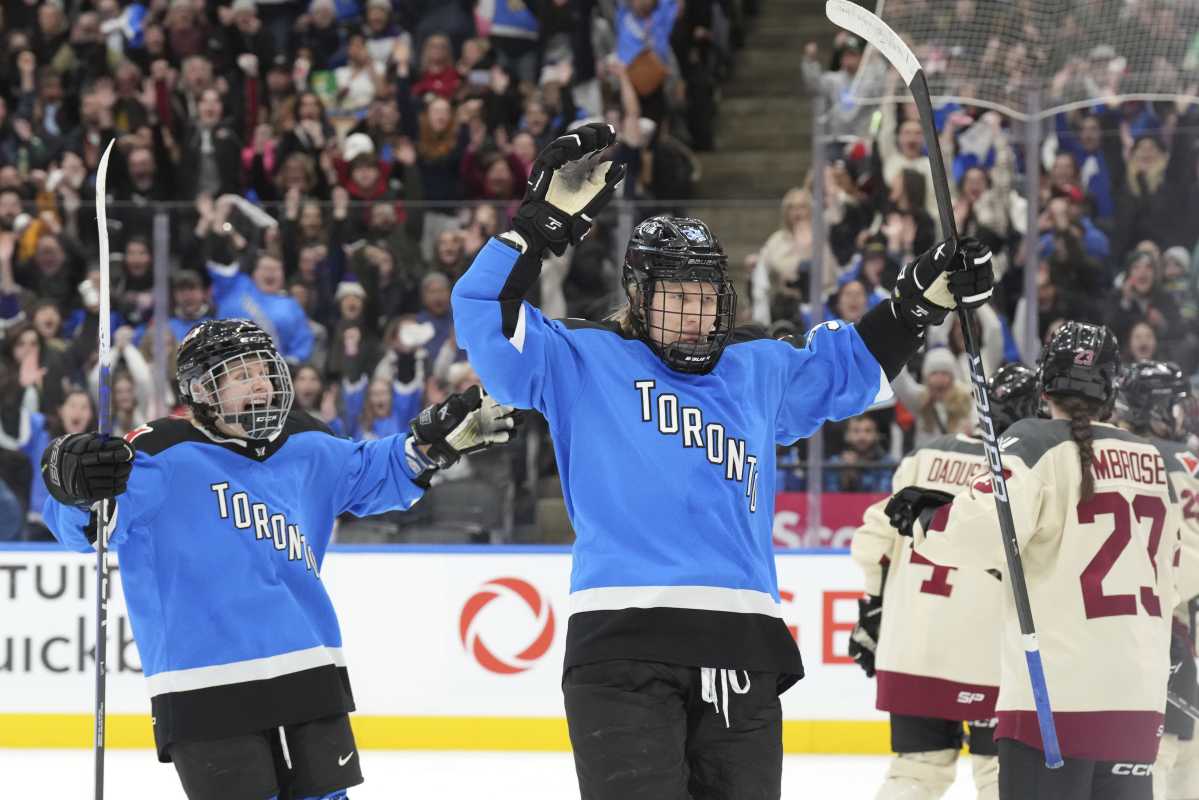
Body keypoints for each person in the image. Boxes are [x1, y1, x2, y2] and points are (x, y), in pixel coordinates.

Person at [451, 122, 994, 799]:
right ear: (639, 298)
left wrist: (917, 301)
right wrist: (537, 226)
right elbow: (482, 315)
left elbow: (845, 367)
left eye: (703, 296)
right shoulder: (581, 358)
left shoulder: (753, 368)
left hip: (742, 643)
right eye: (675, 296)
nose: (692, 313)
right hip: (623, 642)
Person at [38, 319, 518, 800]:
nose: (262, 384)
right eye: (241, 374)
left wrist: (433, 445)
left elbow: (374, 470)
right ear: (203, 389)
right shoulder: (158, 454)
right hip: (205, 684)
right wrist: (74, 487)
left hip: (309, 669)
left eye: (264, 369)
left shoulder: (308, 441)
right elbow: (87, 529)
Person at [886, 322, 1182, 800]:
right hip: (1137, 698)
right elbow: (1173, 567)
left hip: (1057, 699)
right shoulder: (1150, 461)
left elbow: (977, 533)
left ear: (1045, 382)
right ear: (1112, 388)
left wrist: (925, 519)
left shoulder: (1034, 442)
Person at [850, 362, 1040, 800]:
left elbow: (872, 539)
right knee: (1000, 775)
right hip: (991, 651)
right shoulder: (1027, 469)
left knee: (914, 774)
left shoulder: (925, 455)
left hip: (914, 648)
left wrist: (872, 608)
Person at [1113, 361, 1199, 800]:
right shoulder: (1183, 458)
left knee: (1160, 751)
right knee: (1179, 753)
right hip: (1176, 623)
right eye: (1174, 405)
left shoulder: (1116, 454)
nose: (1182, 414)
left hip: (1144, 622)